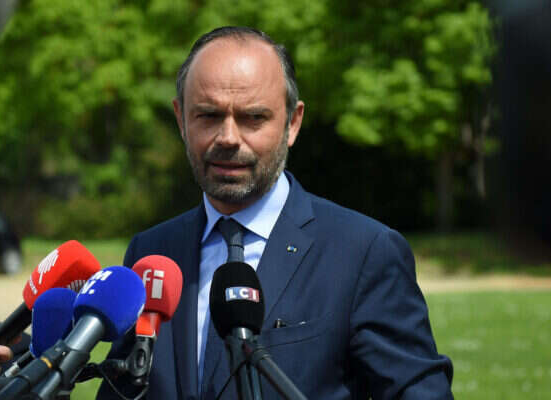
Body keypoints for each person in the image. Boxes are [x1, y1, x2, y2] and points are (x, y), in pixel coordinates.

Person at [96, 26, 453, 399]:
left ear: (292, 123)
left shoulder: (364, 252)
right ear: (181, 119)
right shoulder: (151, 254)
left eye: (253, 117)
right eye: (208, 115)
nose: (228, 137)